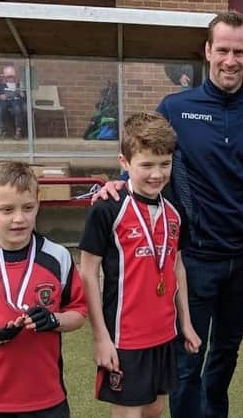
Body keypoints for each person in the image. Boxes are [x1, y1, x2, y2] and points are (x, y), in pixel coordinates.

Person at [93, 11, 243, 418]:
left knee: (225, 355)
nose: (231, 60)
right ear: (207, 51)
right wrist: (119, 181)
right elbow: (146, 156)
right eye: (223, 50)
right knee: (187, 359)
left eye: (239, 51)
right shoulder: (176, 107)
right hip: (191, 258)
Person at [79, 113, 201, 418]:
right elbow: (88, 273)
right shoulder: (107, 209)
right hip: (124, 336)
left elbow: (177, 268)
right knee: (129, 413)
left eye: (164, 164)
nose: (157, 174)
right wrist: (101, 337)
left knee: (155, 408)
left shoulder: (174, 213)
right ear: (125, 162)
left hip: (163, 333)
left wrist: (184, 323)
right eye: (146, 165)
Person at [0, 160, 87, 417]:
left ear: (38, 204)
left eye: (28, 208)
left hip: (47, 399)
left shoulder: (58, 257)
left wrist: (54, 319)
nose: (19, 218)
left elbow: (78, 313)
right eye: (7, 209)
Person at [0, 65, 26, 140]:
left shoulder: (19, 84)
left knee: (17, 109)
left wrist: (22, 94)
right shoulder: (1, 84)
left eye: (11, 77)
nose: (10, 79)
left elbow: (24, 97)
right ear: (5, 77)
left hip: (16, 101)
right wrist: (1, 96)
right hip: (5, 101)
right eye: (8, 77)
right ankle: (1, 128)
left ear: (14, 77)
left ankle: (18, 130)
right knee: (0, 108)